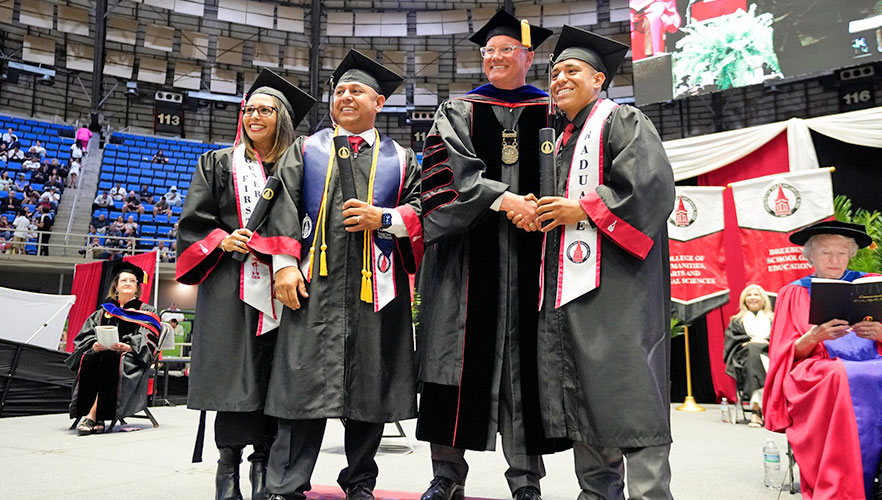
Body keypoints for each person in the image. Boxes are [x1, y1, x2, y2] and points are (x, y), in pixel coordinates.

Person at [519, 25, 676, 500]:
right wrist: (540, 215)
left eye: (573, 70)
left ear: (599, 80)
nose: (560, 78)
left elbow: (649, 188)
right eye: (555, 72)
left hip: (620, 293)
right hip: (571, 295)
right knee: (583, 393)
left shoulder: (622, 120)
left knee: (630, 394)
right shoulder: (559, 141)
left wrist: (582, 209)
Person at [262, 50, 423, 500]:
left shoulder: (402, 158)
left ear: (379, 103)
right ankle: (286, 484)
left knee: (370, 392)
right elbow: (283, 206)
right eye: (339, 91)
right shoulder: (306, 149)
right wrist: (285, 265)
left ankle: (359, 483)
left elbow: (422, 210)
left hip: (378, 291)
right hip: (314, 289)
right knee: (301, 389)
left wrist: (384, 219)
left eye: (357, 91)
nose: (345, 97)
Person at [416, 12, 560, 500]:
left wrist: (538, 208)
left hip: (536, 259)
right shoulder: (457, 110)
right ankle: (446, 476)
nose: (495, 58)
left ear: (528, 57)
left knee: (527, 367)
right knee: (451, 359)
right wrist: (505, 199)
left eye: (506, 50)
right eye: (488, 51)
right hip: (464, 264)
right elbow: (443, 178)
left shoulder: (555, 112)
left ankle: (526, 481)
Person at [176, 68, 315, 500]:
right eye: (249, 109)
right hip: (231, 281)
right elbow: (194, 223)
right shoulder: (220, 162)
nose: (254, 116)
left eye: (265, 110)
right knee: (236, 377)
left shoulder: (303, 165)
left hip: (285, 283)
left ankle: (264, 465)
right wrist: (221, 238)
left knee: (277, 377)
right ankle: (228, 467)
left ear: (283, 118)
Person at [764, 220, 882, 500]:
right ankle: (842, 486)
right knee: (842, 374)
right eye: (826, 252)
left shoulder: (872, 284)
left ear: (851, 254)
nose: (834, 259)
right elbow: (785, 354)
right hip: (818, 371)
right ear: (810, 256)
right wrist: (813, 337)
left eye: (841, 252)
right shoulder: (795, 292)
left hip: (872, 361)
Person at [64, 262, 160, 435]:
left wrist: (129, 347)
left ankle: (92, 415)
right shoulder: (104, 311)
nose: (128, 283)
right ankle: (98, 417)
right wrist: (94, 344)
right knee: (91, 357)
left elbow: (148, 337)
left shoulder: (145, 310)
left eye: (132, 281)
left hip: (130, 358)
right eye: (124, 280)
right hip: (103, 353)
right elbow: (86, 334)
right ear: (116, 285)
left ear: (137, 286)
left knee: (110, 359)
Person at [723, 284, 773, 428]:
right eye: (749, 295)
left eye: (756, 295)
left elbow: (781, 339)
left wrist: (765, 342)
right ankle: (760, 410)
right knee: (753, 353)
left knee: (758, 357)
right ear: (744, 300)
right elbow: (732, 342)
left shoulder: (773, 319)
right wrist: (749, 343)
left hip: (769, 353)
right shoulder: (737, 320)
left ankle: (756, 411)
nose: (753, 298)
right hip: (744, 358)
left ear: (763, 299)